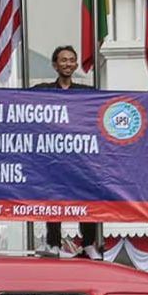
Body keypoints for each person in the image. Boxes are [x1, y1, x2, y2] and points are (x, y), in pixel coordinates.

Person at [31, 45, 101, 260]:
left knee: (86, 197)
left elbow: (114, 100)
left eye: (72, 60)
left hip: (80, 158)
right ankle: (53, 243)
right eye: (63, 60)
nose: (68, 64)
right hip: (53, 157)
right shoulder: (43, 90)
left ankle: (89, 243)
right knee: (54, 198)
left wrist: (144, 96)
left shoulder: (86, 93)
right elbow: (15, 98)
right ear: (55, 64)